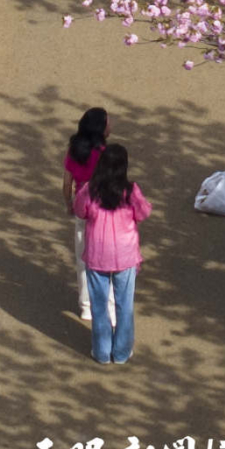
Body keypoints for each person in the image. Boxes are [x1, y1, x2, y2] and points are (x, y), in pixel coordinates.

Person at [73, 143, 152, 365]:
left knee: (99, 305)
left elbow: (80, 210)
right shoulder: (130, 191)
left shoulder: (90, 190)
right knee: (124, 305)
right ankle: (121, 352)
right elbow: (144, 212)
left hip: (98, 255)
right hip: (125, 256)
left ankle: (101, 351)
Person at [63, 107, 111, 320]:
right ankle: (107, 304)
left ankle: (86, 305)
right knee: (107, 257)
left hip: (82, 208)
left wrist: (69, 204)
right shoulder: (104, 154)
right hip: (103, 209)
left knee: (82, 256)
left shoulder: (74, 150)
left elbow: (66, 183)